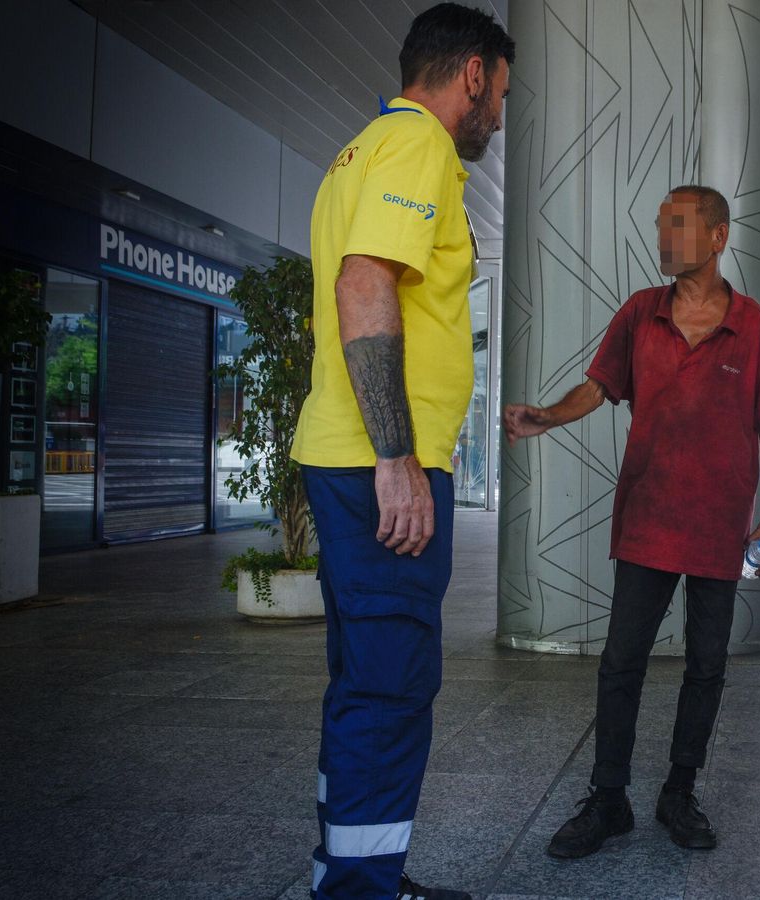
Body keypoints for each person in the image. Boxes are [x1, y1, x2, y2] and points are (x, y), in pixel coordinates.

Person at [288, 5, 512, 898]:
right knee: (389, 688)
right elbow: (365, 281)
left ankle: (352, 870)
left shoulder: (360, 150)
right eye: (501, 90)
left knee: (365, 684)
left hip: (343, 458)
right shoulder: (418, 147)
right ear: (470, 75)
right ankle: (359, 891)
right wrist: (397, 456)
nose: (499, 109)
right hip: (372, 465)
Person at [503, 185, 760, 859]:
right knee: (620, 663)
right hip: (648, 518)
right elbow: (599, 386)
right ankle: (609, 800)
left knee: (707, 664)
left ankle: (678, 792)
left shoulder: (749, 324)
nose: (665, 238)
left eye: (681, 226)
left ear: (718, 236)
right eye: (662, 225)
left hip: (722, 525)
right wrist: (548, 415)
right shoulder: (640, 312)